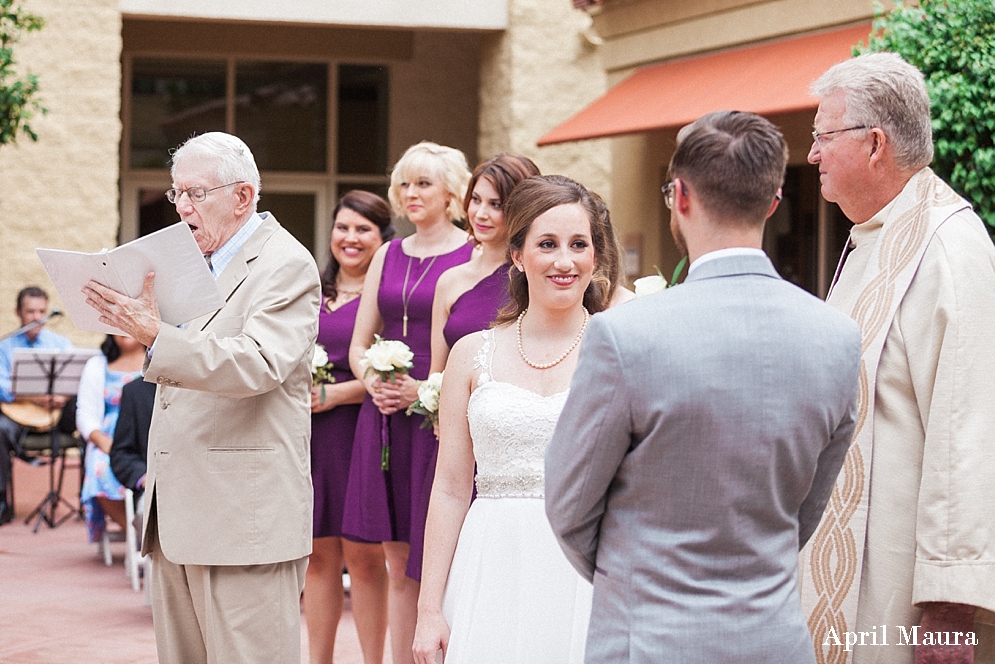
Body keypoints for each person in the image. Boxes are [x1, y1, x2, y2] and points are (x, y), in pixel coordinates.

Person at [544, 111, 862, 663]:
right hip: (774, 640)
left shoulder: (625, 335)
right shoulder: (837, 338)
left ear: (680, 197)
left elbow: (568, 504)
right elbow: (804, 512)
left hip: (650, 640)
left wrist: (638, 581)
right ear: (772, 202)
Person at [81, 131, 320, 664]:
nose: (182, 207)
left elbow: (258, 363)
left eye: (195, 193)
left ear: (242, 196)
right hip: (176, 517)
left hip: (242, 519)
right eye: (175, 194)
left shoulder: (286, 263)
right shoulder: (188, 263)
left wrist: (154, 334)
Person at [799, 52, 995, 664]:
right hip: (849, 567)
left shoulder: (950, 248)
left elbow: (969, 432)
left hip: (909, 598)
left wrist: (950, 608)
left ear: (875, 143)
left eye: (822, 136)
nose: (811, 155)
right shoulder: (868, 241)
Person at [414, 174, 623, 664]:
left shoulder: (620, 351)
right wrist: (429, 608)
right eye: (547, 244)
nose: (565, 261)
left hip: (588, 568)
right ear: (517, 255)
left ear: (595, 257)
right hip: (491, 562)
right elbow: (448, 488)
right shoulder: (470, 355)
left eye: (579, 245)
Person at [342, 141, 473, 664]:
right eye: (404, 183)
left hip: (437, 420)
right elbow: (357, 344)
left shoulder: (471, 254)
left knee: (438, 563)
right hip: (385, 419)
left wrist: (428, 388)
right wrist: (371, 379)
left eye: (424, 183)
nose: (411, 193)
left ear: (451, 193)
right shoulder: (387, 254)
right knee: (396, 563)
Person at [305, 191, 394, 664]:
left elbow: (397, 367)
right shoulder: (309, 294)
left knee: (364, 558)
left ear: (382, 240)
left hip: (361, 429)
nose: (351, 238)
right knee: (317, 558)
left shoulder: (385, 298)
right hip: (310, 440)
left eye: (364, 230)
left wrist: (338, 394)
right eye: (343, 227)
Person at [429, 153, 540, 374]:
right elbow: (437, 374)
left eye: (496, 204)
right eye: (476, 200)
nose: (480, 214)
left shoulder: (536, 278)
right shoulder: (450, 280)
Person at [0, 286, 72, 525]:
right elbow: (2, 386)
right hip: (17, 416)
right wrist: (36, 397)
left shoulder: (60, 343)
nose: (36, 317)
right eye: (30, 311)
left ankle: (91, 499)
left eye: (41, 311)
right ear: (18, 313)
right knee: (0, 430)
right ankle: (2, 502)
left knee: (82, 407)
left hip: (56, 415)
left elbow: (75, 377)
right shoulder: (5, 346)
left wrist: (64, 395)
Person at [76, 334, 145, 542]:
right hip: (110, 441)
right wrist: (109, 445)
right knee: (100, 468)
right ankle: (138, 538)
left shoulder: (159, 359)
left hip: (147, 434)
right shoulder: (98, 365)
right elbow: (85, 416)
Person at [109, 377, 156, 532]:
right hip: (155, 490)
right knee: (150, 514)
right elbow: (121, 453)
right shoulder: (135, 391)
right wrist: (143, 476)